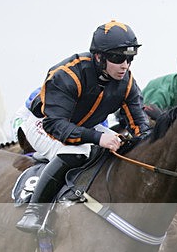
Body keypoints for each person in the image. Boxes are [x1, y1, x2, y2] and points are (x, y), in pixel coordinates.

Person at [16, 20, 150, 234]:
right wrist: (97, 139)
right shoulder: (67, 74)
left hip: (82, 122)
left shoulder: (127, 83)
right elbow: (55, 125)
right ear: (98, 57)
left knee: (122, 149)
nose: (125, 65)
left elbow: (140, 126)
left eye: (129, 58)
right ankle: (34, 212)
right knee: (76, 151)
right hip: (41, 121)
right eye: (118, 57)